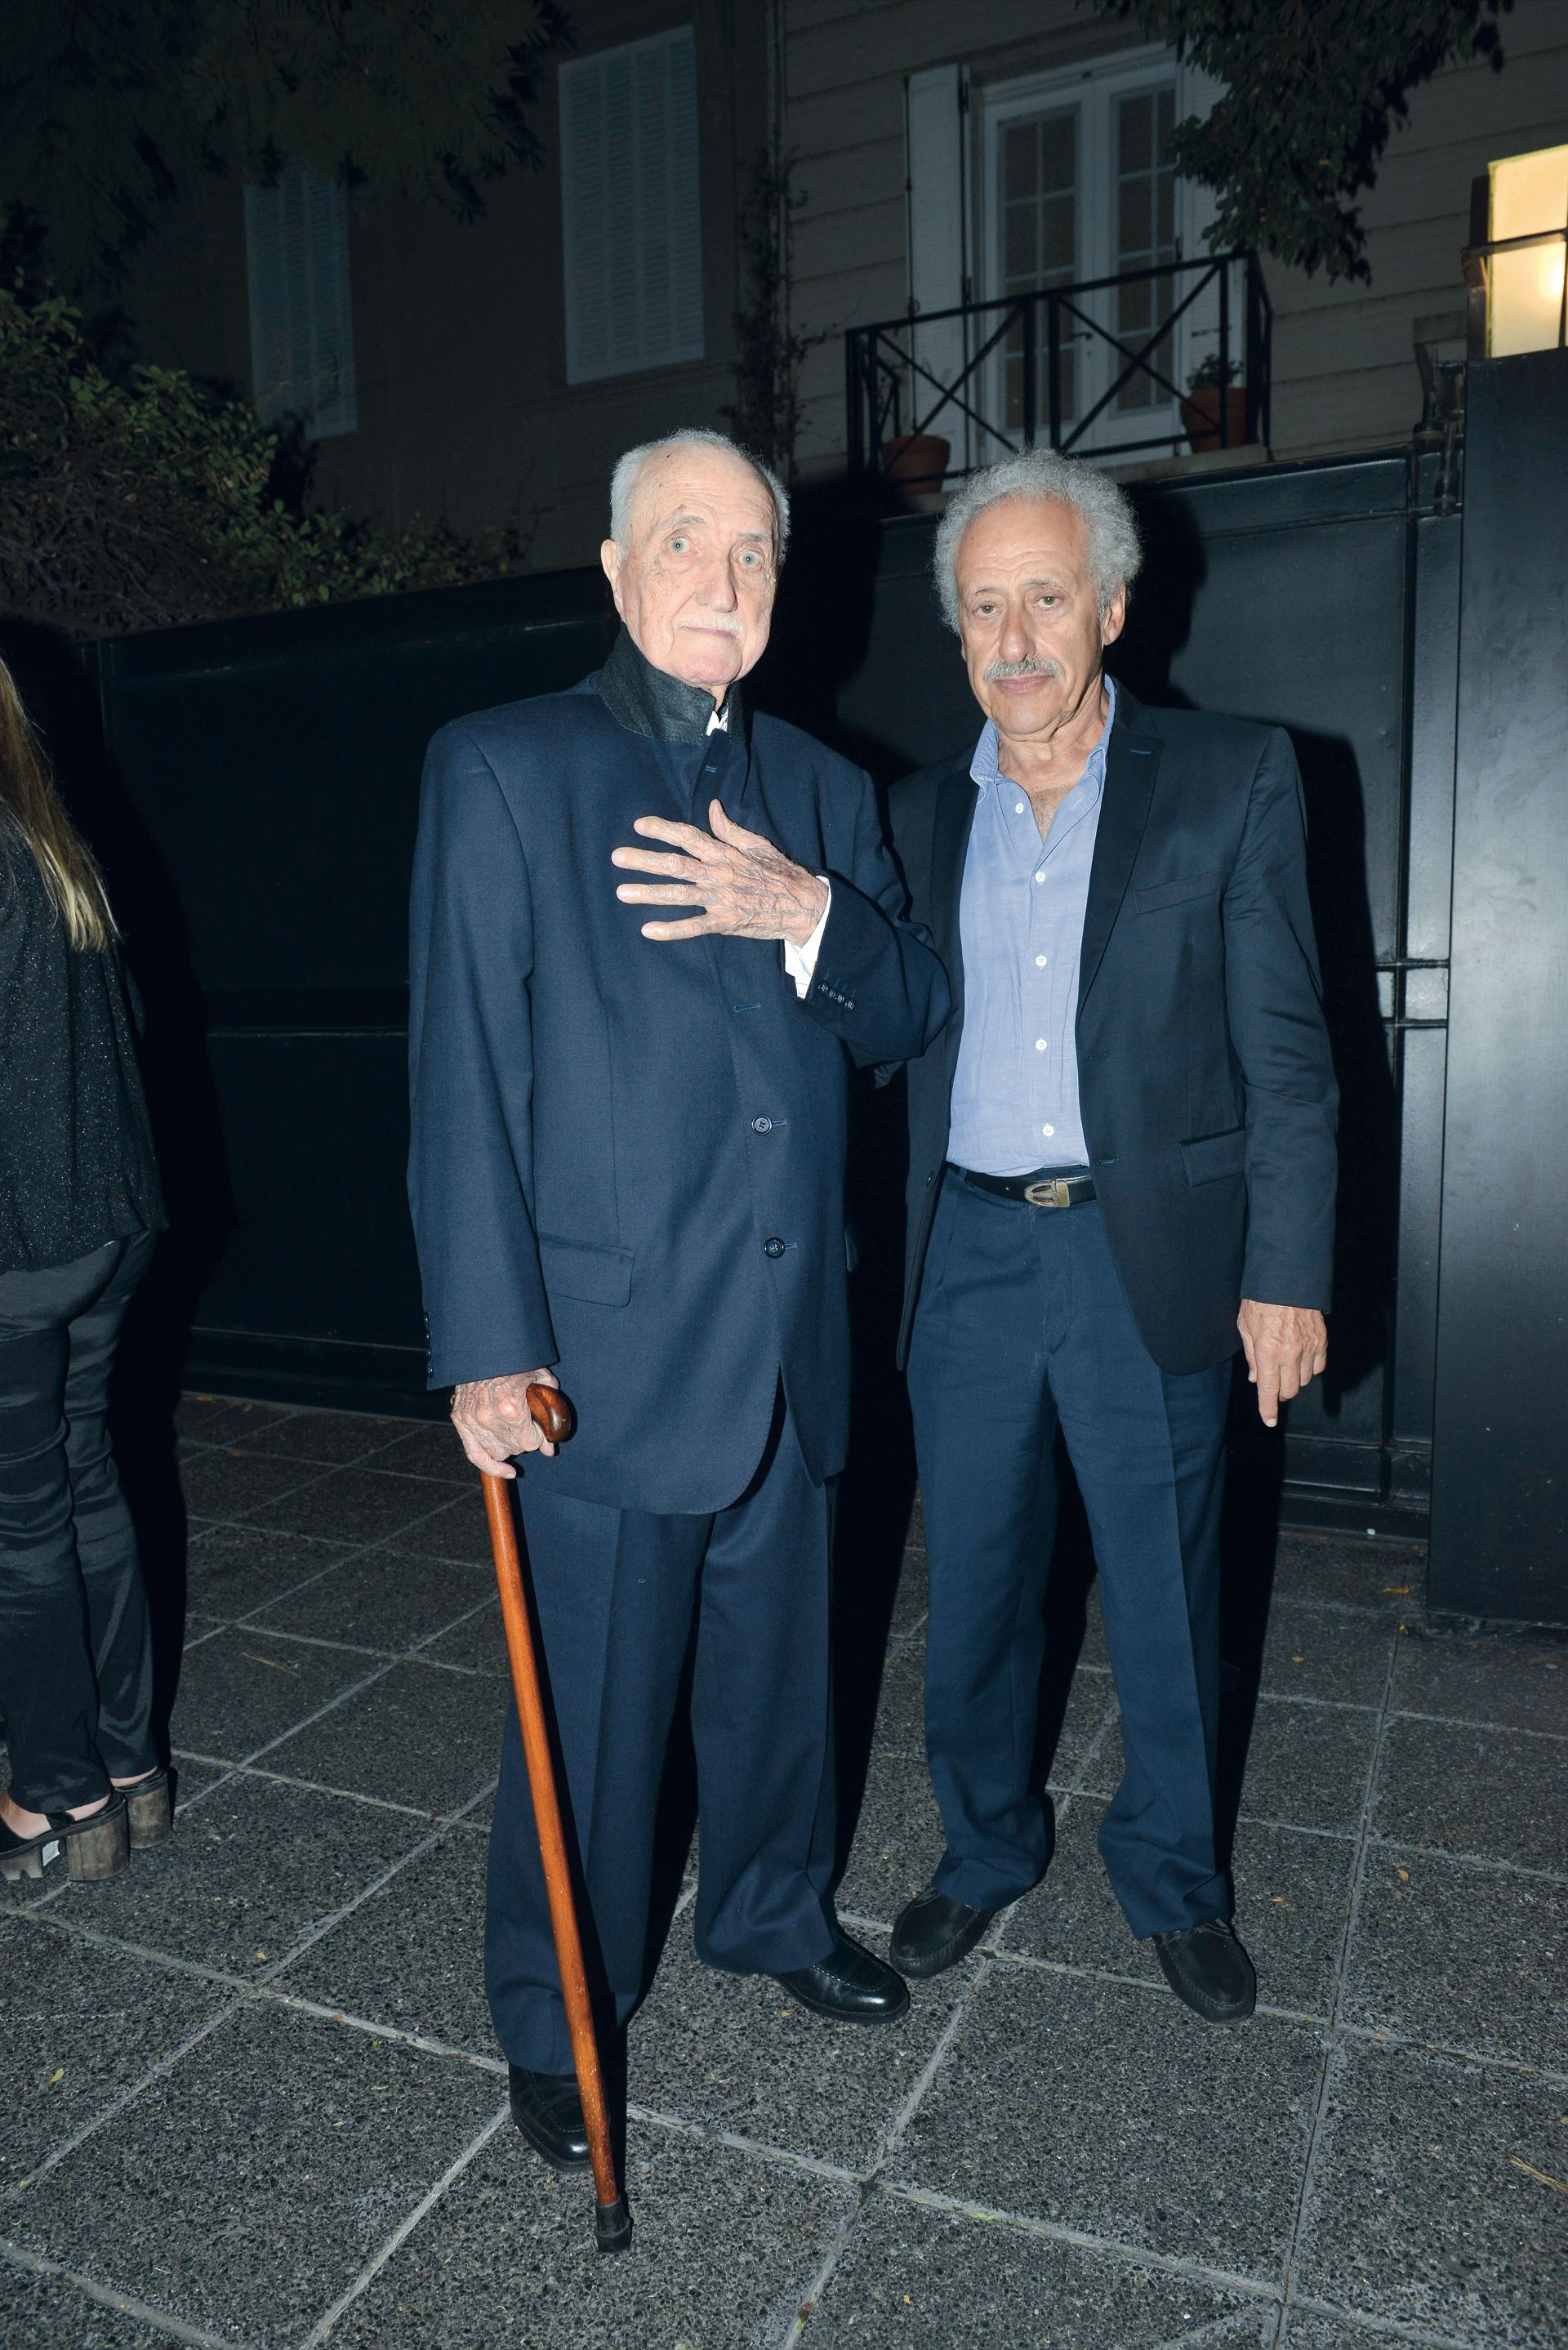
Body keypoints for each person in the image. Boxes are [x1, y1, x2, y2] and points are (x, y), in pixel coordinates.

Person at [408, 428, 950, 2170]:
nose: (725, 581)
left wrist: (814, 917)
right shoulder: (506, 768)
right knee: (586, 1721)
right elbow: (463, 1080)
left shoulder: (825, 786)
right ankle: (558, 2002)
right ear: (619, 564)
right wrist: (489, 1343)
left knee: (783, 1677)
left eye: (756, 555)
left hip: (790, 1331)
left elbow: (899, 1016)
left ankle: (775, 1912)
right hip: (605, 1351)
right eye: (688, 545)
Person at [884, 450, 1338, 2022]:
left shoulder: (1229, 779)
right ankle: (982, 1848)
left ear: (1116, 611)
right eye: (984, 606)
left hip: (1145, 1253)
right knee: (981, 1590)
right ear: (957, 633)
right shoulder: (909, 818)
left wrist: (1286, 1270)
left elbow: (1289, 1055)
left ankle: (1174, 1881)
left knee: (1165, 1589)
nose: (1015, 638)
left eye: (1047, 599)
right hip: (973, 1261)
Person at [0, 657, 170, 1886]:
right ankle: (130, 1771)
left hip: (22, 1240)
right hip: (111, 1219)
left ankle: (51, 1792)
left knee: (22, 1514)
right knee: (87, 1471)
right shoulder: (53, 844)